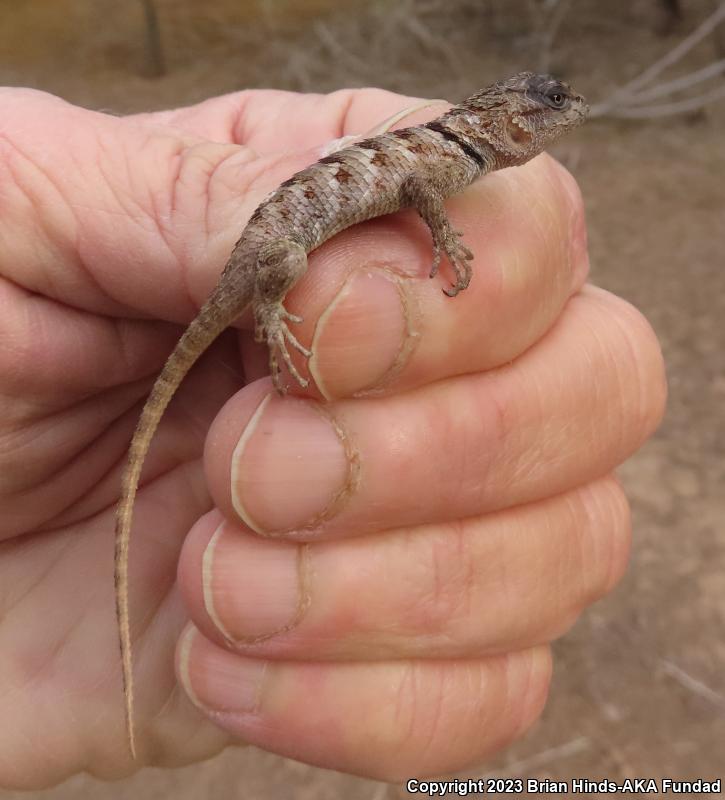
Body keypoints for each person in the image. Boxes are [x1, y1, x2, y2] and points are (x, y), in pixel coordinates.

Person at [0, 85, 665, 788]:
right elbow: (412, 184)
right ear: (507, 121)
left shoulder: (458, 149)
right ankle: (273, 309)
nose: (556, 120)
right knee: (288, 272)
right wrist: (437, 237)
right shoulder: (444, 156)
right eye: (545, 111)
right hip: (272, 249)